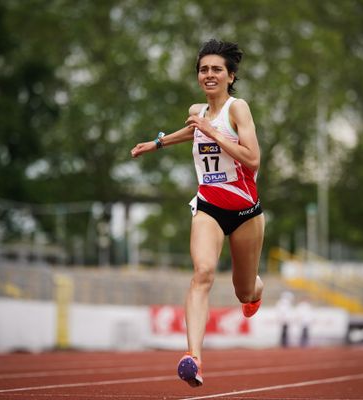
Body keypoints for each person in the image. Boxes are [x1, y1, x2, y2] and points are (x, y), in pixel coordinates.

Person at [131, 39, 264, 387]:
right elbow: (192, 130)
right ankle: (193, 358)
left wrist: (213, 133)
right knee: (202, 273)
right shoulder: (197, 112)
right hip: (208, 206)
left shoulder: (238, 109)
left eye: (216, 69)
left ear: (230, 75)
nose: (209, 74)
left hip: (246, 212)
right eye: (203, 69)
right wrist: (157, 143)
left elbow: (253, 159)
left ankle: (255, 290)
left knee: (244, 292)